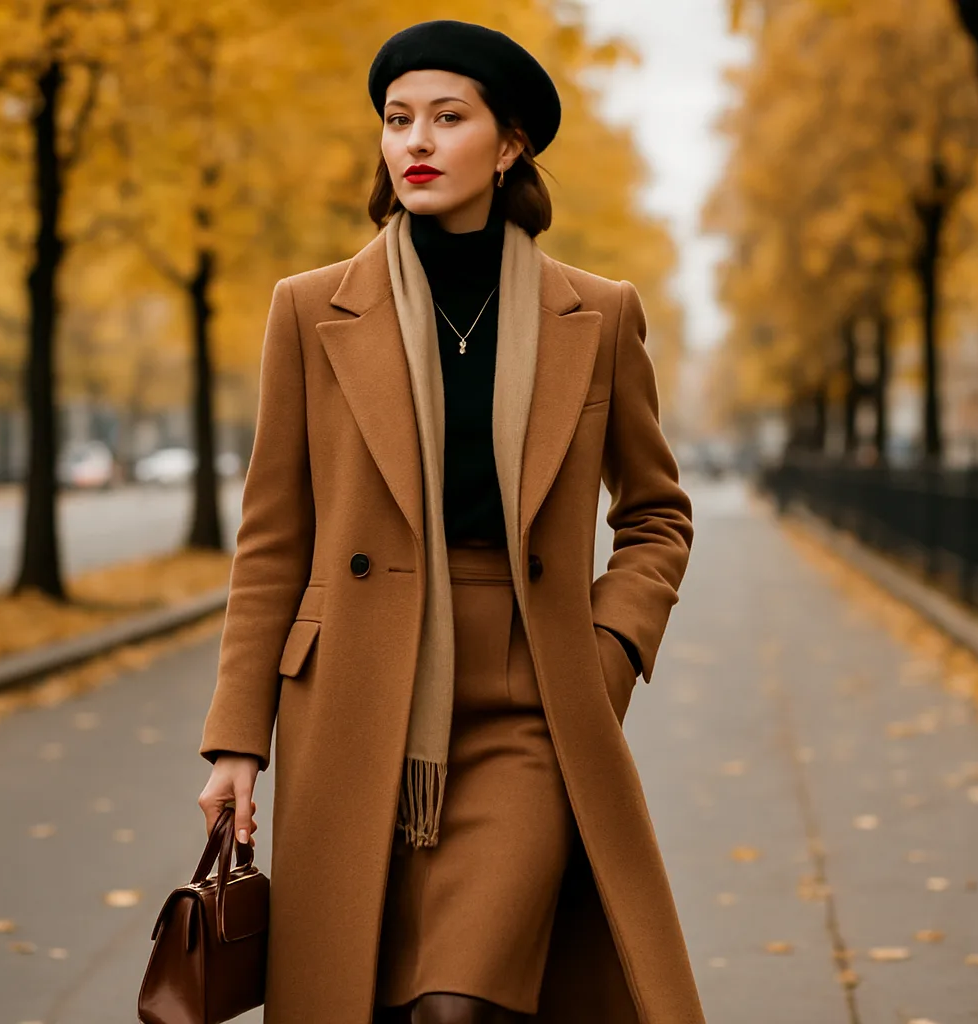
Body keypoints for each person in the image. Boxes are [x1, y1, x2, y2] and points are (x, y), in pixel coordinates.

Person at [197, 19, 705, 1024]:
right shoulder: (310, 310)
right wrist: (234, 742)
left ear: (509, 143)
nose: (415, 141)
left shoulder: (596, 315)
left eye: (446, 117)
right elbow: (272, 543)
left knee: (456, 1007)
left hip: (531, 705)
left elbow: (655, 515)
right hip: (352, 692)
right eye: (397, 120)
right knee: (365, 998)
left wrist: (601, 653)